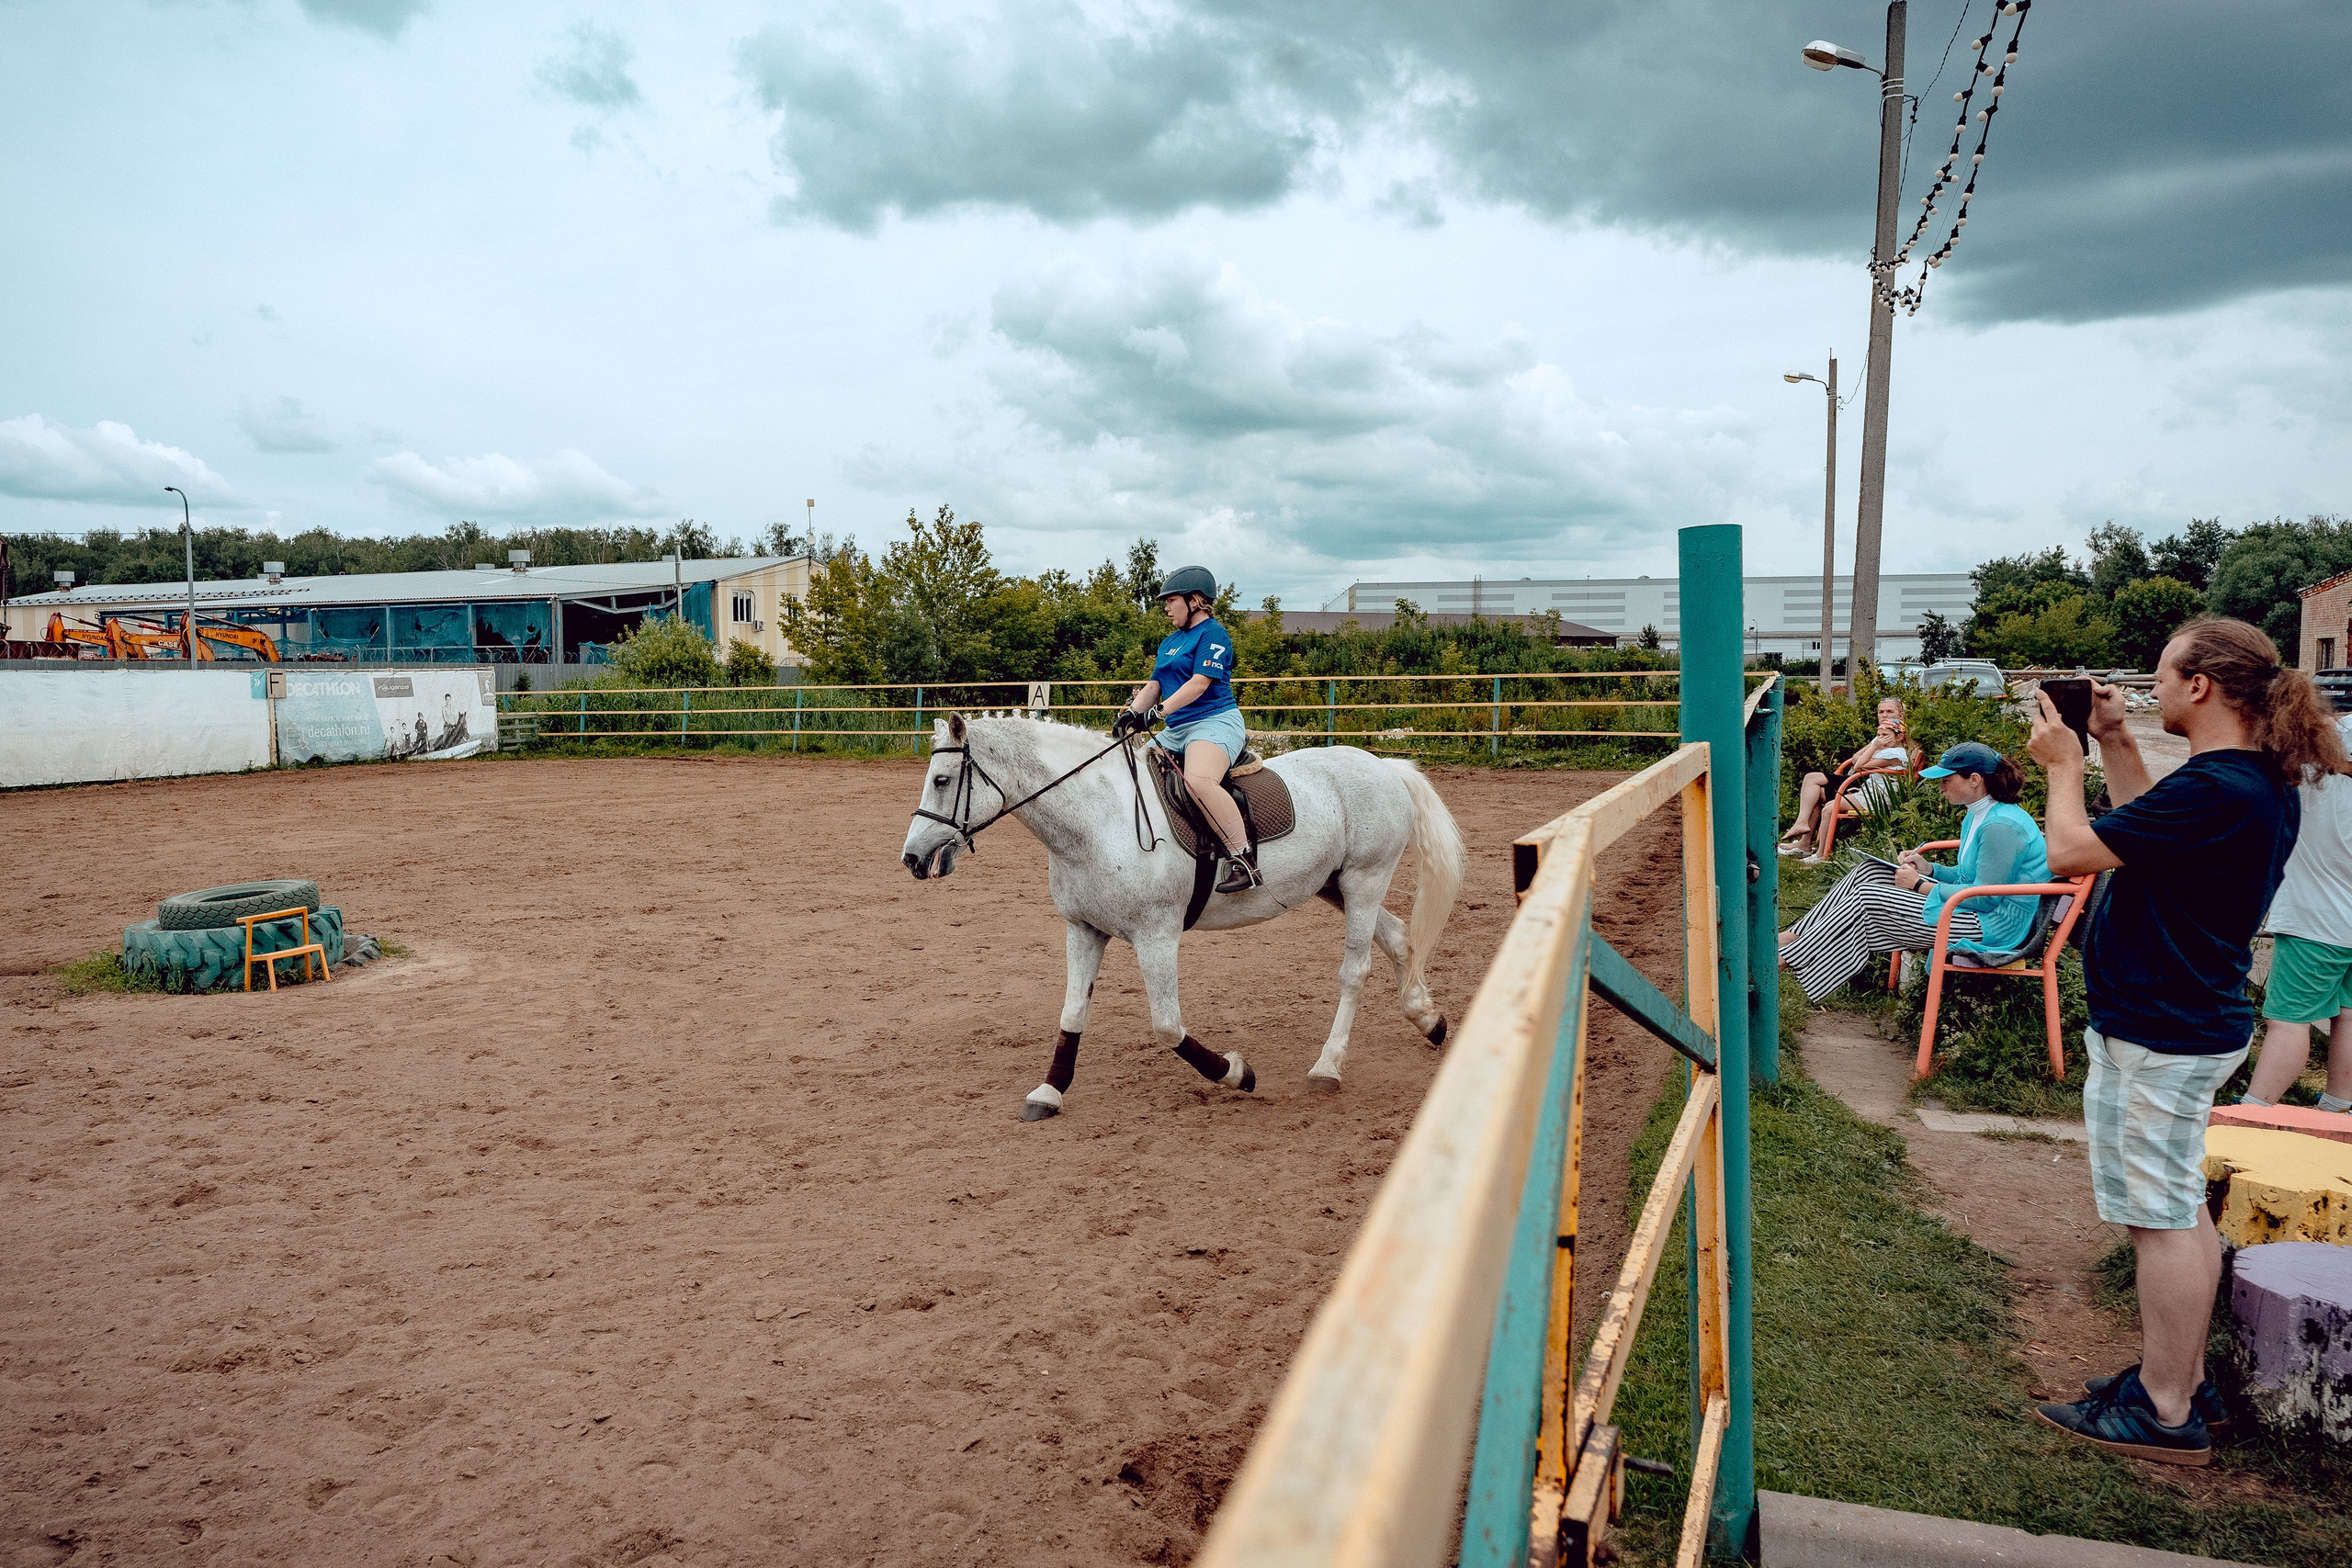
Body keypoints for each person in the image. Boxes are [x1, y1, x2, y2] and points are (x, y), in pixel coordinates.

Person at [2028, 618, 2346, 1466]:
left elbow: (2071, 850)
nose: (2149, 687)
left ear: (2200, 684)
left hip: (2160, 1028)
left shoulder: (2221, 788)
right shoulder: (2240, 781)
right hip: (2187, 1018)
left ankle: (2166, 1410)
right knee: (2176, 1208)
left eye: (2161, 676)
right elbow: (2141, 832)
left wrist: (2061, 765)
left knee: (2157, 1217)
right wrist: (2112, 739)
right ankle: (2185, 1377)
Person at [1777, 741, 2047, 1001]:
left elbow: (1985, 898)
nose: (1940, 788)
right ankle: (1797, 936)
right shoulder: (1980, 814)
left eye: (1946, 780)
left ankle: (1785, 958)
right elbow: (1970, 878)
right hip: (1974, 911)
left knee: (1869, 898)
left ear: (1974, 779)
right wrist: (1930, 869)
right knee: (1869, 871)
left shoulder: (2001, 826)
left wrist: (1920, 885)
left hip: (1994, 927)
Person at [1113, 566, 1263, 894]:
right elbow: (1155, 685)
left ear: (1194, 601)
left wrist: (1156, 713)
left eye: (1171, 601)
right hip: (1177, 728)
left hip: (1214, 721)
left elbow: (1199, 684)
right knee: (1124, 769)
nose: (1166, 608)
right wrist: (1130, 715)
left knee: (1198, 781)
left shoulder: (1213, 634)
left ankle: (1244, 860)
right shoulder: (1170, 641)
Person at [2245, 693, 2352, 1117]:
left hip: (2317, 920)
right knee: (2348, 1014)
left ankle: (2253, 1112)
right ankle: (2338, 1108)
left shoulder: (2313, 763)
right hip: (2338, 918)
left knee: (2288, 1021)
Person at [1779, 696, 1911, 863]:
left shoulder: (1893, 740)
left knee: (1819, 791)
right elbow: (1856, 758)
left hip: (1868, 784)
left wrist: (1870, 754)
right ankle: (1807, 841)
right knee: (1814, 786)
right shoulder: (1883, 736)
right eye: (1881, 712)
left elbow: (1860, 764)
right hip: (1866, 782)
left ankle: (1818, 851)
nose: (1884, 715)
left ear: (1901, 715)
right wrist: (1871, 751)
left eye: (1889, 711)